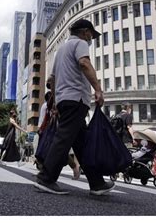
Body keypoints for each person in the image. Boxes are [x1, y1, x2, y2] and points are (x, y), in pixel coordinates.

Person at [34, 19, 114, 196]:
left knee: (80, 142)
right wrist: (98, 90)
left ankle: (96, 182)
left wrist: (54, 103)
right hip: (76, 98)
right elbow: (84, 63)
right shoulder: (80, 43)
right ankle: (46, 178)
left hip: (64, 100)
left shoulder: (60, 50)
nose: (91, 38)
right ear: (85, 32)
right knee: (63, 138)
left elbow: (52, 79)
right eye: (91, 34)